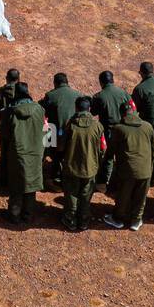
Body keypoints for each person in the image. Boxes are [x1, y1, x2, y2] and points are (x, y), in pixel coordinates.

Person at [103, 103, 154, 232]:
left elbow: (111, 151)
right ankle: (136, 220)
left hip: (127, 169)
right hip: (145, 169)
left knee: (123, 195)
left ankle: (118, 219)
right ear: (135, 111)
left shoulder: (118, 128)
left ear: (121, 114)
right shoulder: (147, 126)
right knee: (141, 197)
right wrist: (149, 165)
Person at [0, 83, 45, 224]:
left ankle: (14, 214)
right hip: (35, 153)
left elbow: (5, 135)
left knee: (16, 185)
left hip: (17, 153)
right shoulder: (39, 110)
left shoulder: (9, 112)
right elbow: (47, 131)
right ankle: (28, 214)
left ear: (16, 94)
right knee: (31, 185)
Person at [60, 96, 105, 232]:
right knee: (86, 194)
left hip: (71, 167)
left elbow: (61, 146)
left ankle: (71, 219)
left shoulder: (70, 124)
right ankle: (83, 220)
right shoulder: (97, 126)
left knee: (71, 193)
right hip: (90, 168)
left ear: (76, 108)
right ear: (89, 109)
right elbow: (103, 148)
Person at [91, 70, 131, 191]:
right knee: (122, 154)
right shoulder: (123, 93)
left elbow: (93, 112)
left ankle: (104, 182)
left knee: (108, 156)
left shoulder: (99, 96)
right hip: (124, 129)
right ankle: (120, 181)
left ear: (101, 82)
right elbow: (132, 108)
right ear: (112, 80)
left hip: (108, 130)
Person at [39, 73, 82, 186]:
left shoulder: (51, 95)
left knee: (56, 155)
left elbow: (43, 111)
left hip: (56, 132)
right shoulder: (78, 95)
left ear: (55, 83)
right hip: (74, 131)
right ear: (67, 82)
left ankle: (57, 178)